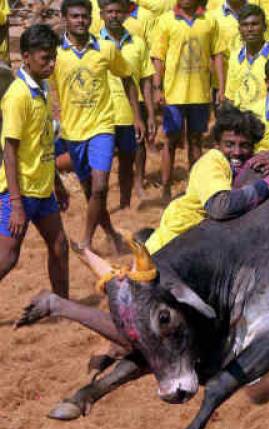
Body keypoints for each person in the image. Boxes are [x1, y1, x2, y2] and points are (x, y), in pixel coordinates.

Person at [52, 0, 144, 252]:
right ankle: (111, 233)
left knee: (101, 186)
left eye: (85, 16)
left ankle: (86, 242)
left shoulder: (106, 48)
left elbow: (127, 78)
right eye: (75, 16)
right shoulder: (55, 53)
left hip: (103, 127)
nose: (81, 20)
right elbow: (46, 86)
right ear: (65, 19)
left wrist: (137, 115)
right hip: (72, 131)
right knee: (92, 191)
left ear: (92, 18)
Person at [144, 102, 269, 254]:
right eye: (229, 144)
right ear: (217, 144)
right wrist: (267, 185)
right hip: (169, 247)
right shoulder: (212, 161)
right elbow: (220, 207)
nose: (237, 152)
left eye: (244, 145)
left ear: (253, 146)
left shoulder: (252, 164)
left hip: (200, 246)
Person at [0, 24, 70, 297]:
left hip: (42, 190)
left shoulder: (40, 87)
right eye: (45, 58)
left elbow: (43, 144)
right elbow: (10, 151)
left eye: (53, 57)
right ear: (26, 57)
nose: (51, 64)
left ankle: (64, 306)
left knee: (59, 245)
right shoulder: (18, 96)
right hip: (18, 193)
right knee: (7, 257)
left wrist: (57, 183)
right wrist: (16, 204)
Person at [151, 0, 225, 202]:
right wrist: (158, 88)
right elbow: (158, 57)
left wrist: (221, 87)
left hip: (200, 93)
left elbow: (217, 54)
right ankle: (166, 188)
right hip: (174, 93)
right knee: (171, 140)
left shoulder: (209, 20)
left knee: (196, 141)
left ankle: (194, 188)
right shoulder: (166, 20)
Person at [99, 0, 157, 209]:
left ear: (125, 15)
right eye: (110, 12)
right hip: (103, 113)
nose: (114, 15)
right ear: (102, 15)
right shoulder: (94, 44)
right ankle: (100, 204)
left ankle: (132, 193)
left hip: (132, 110)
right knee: (102, 164)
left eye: (118, 12)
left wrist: (150, 114)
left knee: (130, 157)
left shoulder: (138, 43)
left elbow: (146, 80)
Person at [224, 4, 269, 111]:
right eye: (245, 25)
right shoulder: (235, 57)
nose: (250, 29)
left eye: (255, 24)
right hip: (241, 121)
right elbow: (231, 97)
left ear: (265, 27)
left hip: (268, 121)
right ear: (239, 29)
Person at [209, 0, 246, 105]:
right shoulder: (213, 16)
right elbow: (212, 54)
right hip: (222, 86)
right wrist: (220, 88)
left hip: (251, 83)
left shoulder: (256, 13)